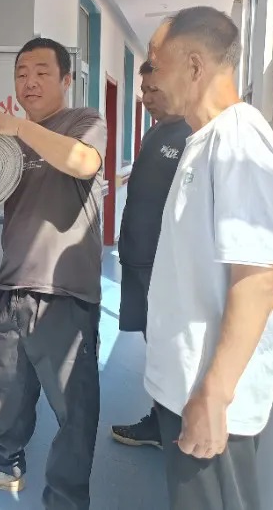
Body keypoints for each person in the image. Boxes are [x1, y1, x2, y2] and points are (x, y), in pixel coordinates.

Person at [144, 7, 273, 510]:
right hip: (188, 386)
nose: (150, 79)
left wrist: (216, 393)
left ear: (193, 66)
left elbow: (260, 278)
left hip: (209, 396)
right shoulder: (203, 140)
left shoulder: (239, 139)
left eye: (155, 64)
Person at [0, 37, 107, 509]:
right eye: (21, 74)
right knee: (8, 391)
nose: (30, 82)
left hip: (64, 290)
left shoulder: (85, 122)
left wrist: (19, 126)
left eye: (42, 72)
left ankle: (66, 499)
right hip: (11, 282)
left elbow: (83, 162)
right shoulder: (7, 140)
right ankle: (2, 464)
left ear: (66, 79)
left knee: (73, 409)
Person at [110, 56, 191, 449]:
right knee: (154, 346)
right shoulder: (156, 131)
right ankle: (162, 421)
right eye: (143, 90)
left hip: (163, 267)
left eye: (154, 89)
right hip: (138, 259)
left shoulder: (192, 134)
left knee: (168, 350)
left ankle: (172, 427)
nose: (146, 98)